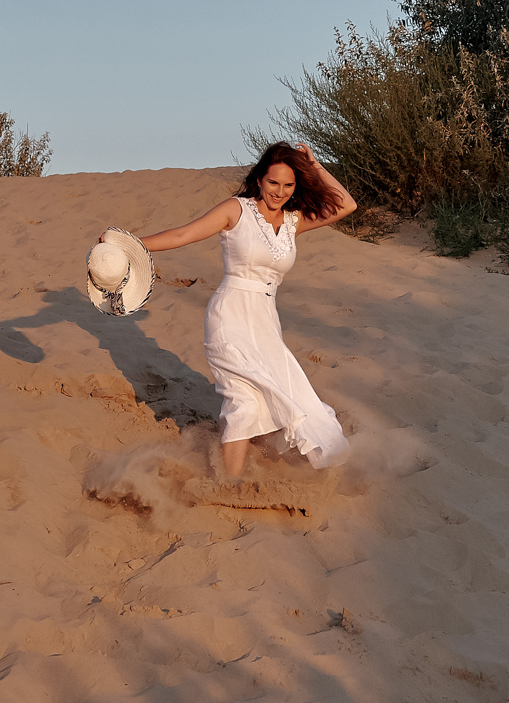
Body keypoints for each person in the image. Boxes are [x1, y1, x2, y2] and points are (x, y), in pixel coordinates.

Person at [123, 142, 357, 478]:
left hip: (265, 322)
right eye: (273, 182)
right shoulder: (237, 210)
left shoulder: (293, 222)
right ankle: (228, 484)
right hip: (229, 316)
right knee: (243, 399)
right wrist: (131, 244)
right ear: (260, 179)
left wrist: (314, 163)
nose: (279, 192)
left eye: (288, 185)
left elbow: (346, 204)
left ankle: (239, 472)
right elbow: (185, 233)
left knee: (289, 398)